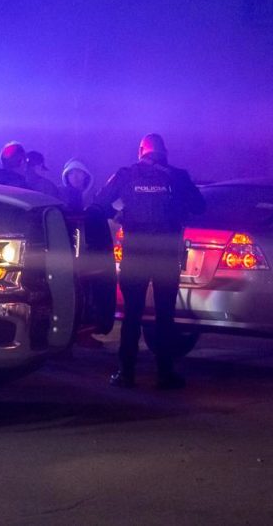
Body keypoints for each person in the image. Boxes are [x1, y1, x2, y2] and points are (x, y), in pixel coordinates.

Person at [93, 133, 205, 389]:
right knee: (165, 315)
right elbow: (200, 207)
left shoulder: (126, 174)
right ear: (164, 152)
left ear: (141, 152)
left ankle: (126, 373)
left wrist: (119, 214)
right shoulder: (177, 176)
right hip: (166, 253)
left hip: (136, 252)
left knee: (132, 314)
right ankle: (165, 374)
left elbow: (99, 202)